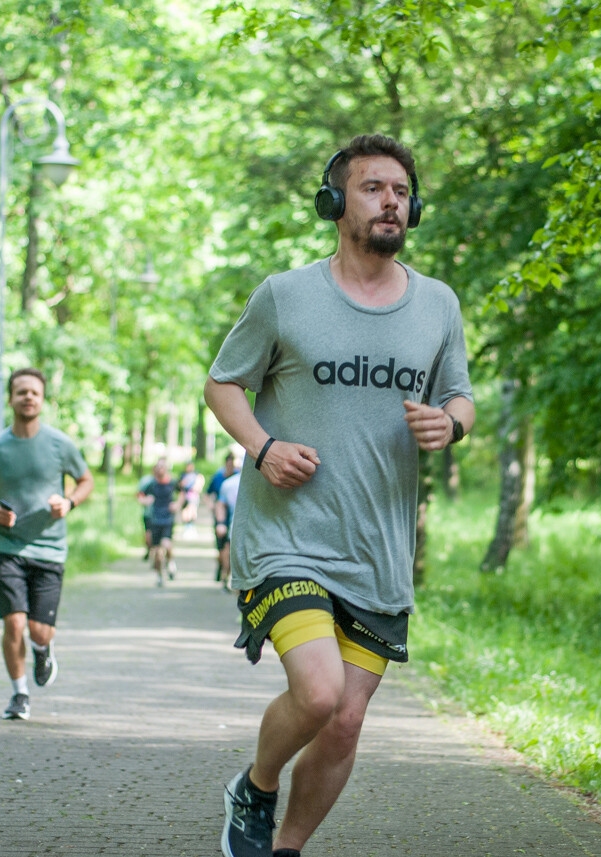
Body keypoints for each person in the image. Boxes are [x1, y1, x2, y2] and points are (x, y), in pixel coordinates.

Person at [204, 134, 474, 857]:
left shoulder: (438, 305)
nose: (390, 200)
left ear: (413, 209)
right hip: (287, 538)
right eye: (372, 187)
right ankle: (256, 786)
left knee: (345, 722)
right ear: (335, 203)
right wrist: (261, 447)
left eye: (400, 190)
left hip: (378, 551)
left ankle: (283, 847)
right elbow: (222, 384)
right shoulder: (285, 295)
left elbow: (461, 398)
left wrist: (447, 423)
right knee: (319, 693)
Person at [0, 367, 94, 721]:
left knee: (38, 629)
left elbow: (85, 480)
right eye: (21, 392)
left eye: (34, 392)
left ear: (42, 399)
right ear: (11, 399)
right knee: (13, 624)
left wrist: (68, 502)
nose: (28, 397)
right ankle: (19, 694)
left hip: (50, 548)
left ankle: (43, 648)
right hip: (7, 548)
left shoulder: (59, 444)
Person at [137, 457, 179, 584]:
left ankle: (171, 562)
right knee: (157, 551)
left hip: (167, 519)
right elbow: (140, 495)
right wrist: (145, 501)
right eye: (158, 467)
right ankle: (160, 575)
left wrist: (177, 504)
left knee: (166, 544)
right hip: (155, 519)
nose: (160, 469)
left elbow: (183, 493)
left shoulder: (172, 482)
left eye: (162, 467)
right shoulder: (151, 484)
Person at [205, 450, 238, 582]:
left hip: (233, 517)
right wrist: (212, 506)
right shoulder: (218, 478)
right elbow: (207, 494)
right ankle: (222, 567)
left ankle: (226, 574)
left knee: (228, 548)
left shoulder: (238, 477)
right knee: (221, 548)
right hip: (221, 517)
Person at [213, 468, 240, 590]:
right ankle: (226, 576)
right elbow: (220, 504)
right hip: (234, 525)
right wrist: (220, 523)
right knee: (228, 551)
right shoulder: (230, 484)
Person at [178, 460, 205, 537]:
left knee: (192, 511)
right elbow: (180, 485)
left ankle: (191, 527)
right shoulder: (183, 475)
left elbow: (198, 486)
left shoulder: (196, 475)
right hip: (184, 496)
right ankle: (187, 527)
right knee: (185, 513)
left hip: (193, 496)